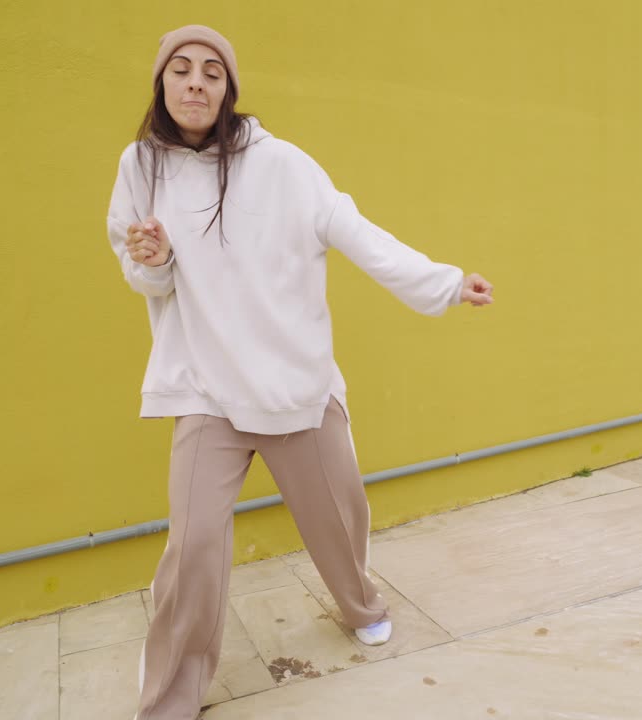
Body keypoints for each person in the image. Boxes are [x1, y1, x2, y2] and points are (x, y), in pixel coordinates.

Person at [106, 24, 495, 720]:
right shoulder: (140, 166)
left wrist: (443, 283)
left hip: (292, 382)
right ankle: (169, 697)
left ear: (228, 90)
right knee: (192, 548)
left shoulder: (282, 164)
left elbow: (357, 232)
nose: (195, 83)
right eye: (181, 70)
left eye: (212, 73)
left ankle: (361, 604)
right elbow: (144, 272)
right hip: (205, 386)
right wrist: (153, 260)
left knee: (338, 520)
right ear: (162, 82)